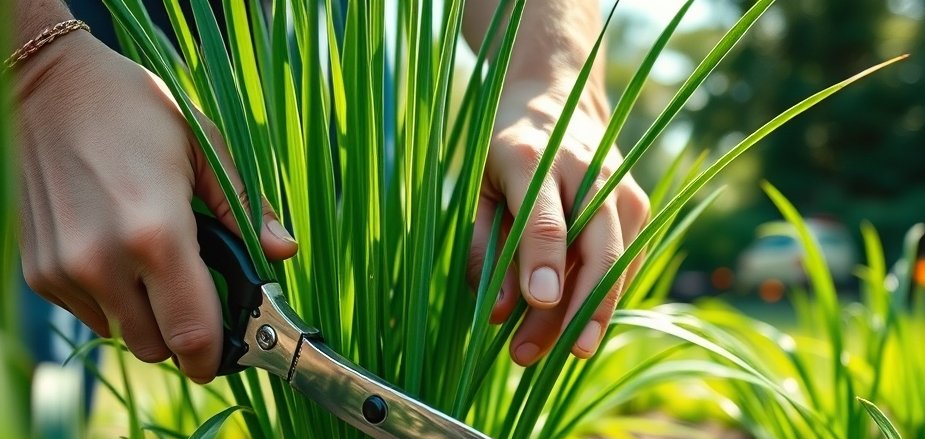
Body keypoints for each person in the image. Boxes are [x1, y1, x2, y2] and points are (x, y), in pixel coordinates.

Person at [11, 0, 649, 385]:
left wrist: (553, 78)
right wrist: (36, 66)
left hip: (337, 25)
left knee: (362, 289)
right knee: (41, 347)